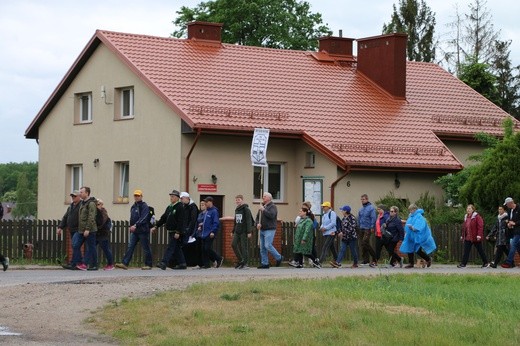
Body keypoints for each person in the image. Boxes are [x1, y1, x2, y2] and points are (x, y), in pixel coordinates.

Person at [116, 189, 153, 270]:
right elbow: (132, 218)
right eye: (135, 196)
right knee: (130, 246)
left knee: (146, 247)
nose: (136, 197)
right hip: (135, 231)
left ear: (141, 196)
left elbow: (144, 218)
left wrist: (135, 225)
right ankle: (125, 263)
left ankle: (149, 264)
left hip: (143, 230)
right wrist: (131, 226)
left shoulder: (144, 206)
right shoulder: (133, 206)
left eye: (138, 196)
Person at [153, 190, 187, 270]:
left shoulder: (179, 207)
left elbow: (181, 220)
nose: (171, 198)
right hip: (171, 231)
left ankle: (164, 262)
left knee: (170, 247)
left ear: (177, 198)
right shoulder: (170, 207)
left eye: (173, 196)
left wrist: (178, 231)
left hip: (176, 231)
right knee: (177, 248)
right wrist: (156, 226)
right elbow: (164, 218)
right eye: (171, 196)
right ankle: (182, 263)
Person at [399, 204, 436, 268]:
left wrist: (413, 228)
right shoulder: (411, 216)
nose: (410, 211)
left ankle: (428, 259)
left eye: (411, 210)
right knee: (409, 248)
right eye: (409, 210)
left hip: (417, 236)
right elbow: (408, 223)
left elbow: (420, 225)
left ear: (415, 209)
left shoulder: (419, 216)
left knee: (418, 250)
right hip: (410, 235)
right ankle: (411, 263)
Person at [255, 192, 283, 269]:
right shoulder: (262, 207)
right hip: (262, 229)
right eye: (263, 196)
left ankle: (279, 257)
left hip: (270, 229)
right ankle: (265, 263)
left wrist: (263, 209)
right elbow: (257, 218)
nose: (263, 198)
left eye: (264, 196)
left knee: (268, 245)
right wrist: (257, 223)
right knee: (262, 247)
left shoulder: (273, 206)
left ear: (269, 198)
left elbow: (271, 215)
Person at [74, 186, 98, 271]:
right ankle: (80, 263)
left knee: (91, 247)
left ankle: (93, 265)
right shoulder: (82, 203)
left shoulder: (91, 203)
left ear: (87, 193)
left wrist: (88, 229)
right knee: (76, 245)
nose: (80, 194)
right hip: (81, 230)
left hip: (90, 230)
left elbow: (91, 217)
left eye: (81, 192)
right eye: (80, 192)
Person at [57, 190, 81, 269]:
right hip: (72, 229)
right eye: (72, 196)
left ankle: (75, 263)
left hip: (78, 229)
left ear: (79, 197)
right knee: (75, 246)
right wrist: (60, 227)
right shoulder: (71, 206)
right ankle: (77, 263)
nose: (73, 198)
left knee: (75, 245)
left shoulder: (81, 206)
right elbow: (65, 217)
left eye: (74, 196)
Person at [199, 196, 224, 269]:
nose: (205, 203)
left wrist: (213, 231)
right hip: (204, 232)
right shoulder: (207, 211)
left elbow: (216, 222)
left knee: (207, 248)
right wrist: (201, 225)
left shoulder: (214, 211)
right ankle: (206, 264)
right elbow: (206, 221)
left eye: (207, 202)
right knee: (203, 249)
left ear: (210, 202)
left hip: (210, 233)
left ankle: (218, 258)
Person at [231, 194, 254, 269]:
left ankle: (245, 263)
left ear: (242, 200)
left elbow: (249, 220)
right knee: (233, 244)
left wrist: (249, 231)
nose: (237, 201)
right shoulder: (237, 209)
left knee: (244, 247)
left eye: (239, 200)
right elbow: (236, 221)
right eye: (236, 200)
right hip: (237, 231)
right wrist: (233, 230)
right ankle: (241, 260)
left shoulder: (246, 209)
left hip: (244, 231)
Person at [95, 199, 114, 270]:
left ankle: (110, 264)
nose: (97, 206)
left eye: (98, 204)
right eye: (96, 204)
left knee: (106, 249)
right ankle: (92, 263)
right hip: (96, 233)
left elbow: (101, 222)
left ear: (101, 205)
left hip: (103, 234)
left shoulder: (103, 212)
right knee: (91, 248)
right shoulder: (95, 212)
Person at [501, 197, 520, 268]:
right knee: (518, 245)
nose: (506, 206)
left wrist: (515, 223)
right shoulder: (509, 210)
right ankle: (509, 262)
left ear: (511, 202)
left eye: (507, 204)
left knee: (513, 244)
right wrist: (508, 224)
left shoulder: (519, 208)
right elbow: (509, 220)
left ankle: (508, 262)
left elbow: (516, 221)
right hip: (513, 230)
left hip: (518, 230)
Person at [358, 194, 377, 265]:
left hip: (368, 228)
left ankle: (375, 257)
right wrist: (359, 226)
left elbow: (373, 218)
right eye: (361, 199)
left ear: (367, 199)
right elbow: (359, 218)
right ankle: (365, 260)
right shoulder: (361, 209)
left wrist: (372, 227)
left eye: (363, 199)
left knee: (364, 242)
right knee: (363, 245)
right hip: (362, 227)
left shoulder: (371, 208)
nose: (362, 201)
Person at [318, 201, 338, 266]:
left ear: (328, 207)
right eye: (322, 207)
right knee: (332, 248)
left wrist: (325, 228)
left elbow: (333, 223)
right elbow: (323, 223)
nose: (323, 208)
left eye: (324, 207)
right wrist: (321, 228)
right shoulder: (324, 215)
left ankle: (320, 262)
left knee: (325, 247)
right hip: (326, 233)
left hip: (331, 233)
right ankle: (337, 260)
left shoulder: (332, 213)